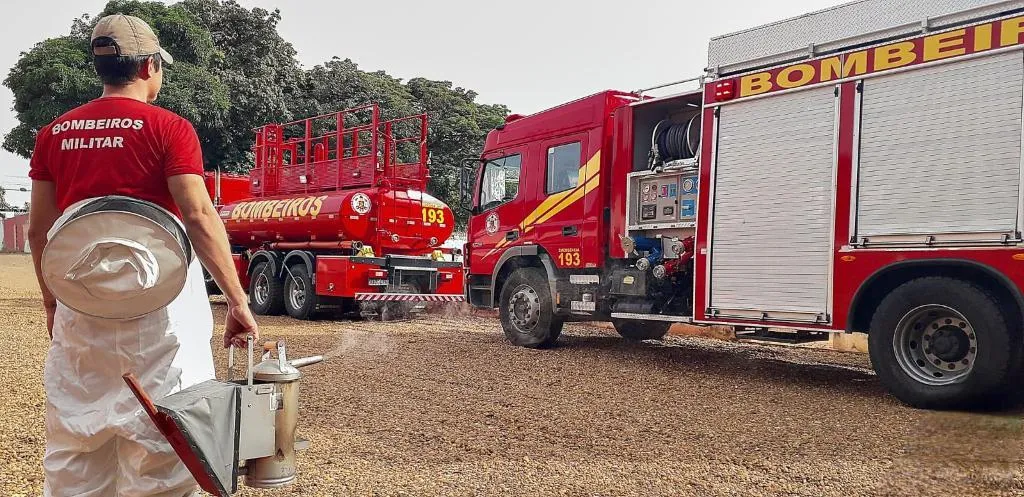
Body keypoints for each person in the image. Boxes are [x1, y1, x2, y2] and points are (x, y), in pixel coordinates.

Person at [26, 14, 259, 497]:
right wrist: (237, 300)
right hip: (160, 309)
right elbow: (198, 216)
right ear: (151, 66)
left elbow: (38, 230)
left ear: (102, 69)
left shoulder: (54, 133)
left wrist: (53, 302)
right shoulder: (169, 128)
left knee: (77, 432)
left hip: (82, 303)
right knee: (164, 438)